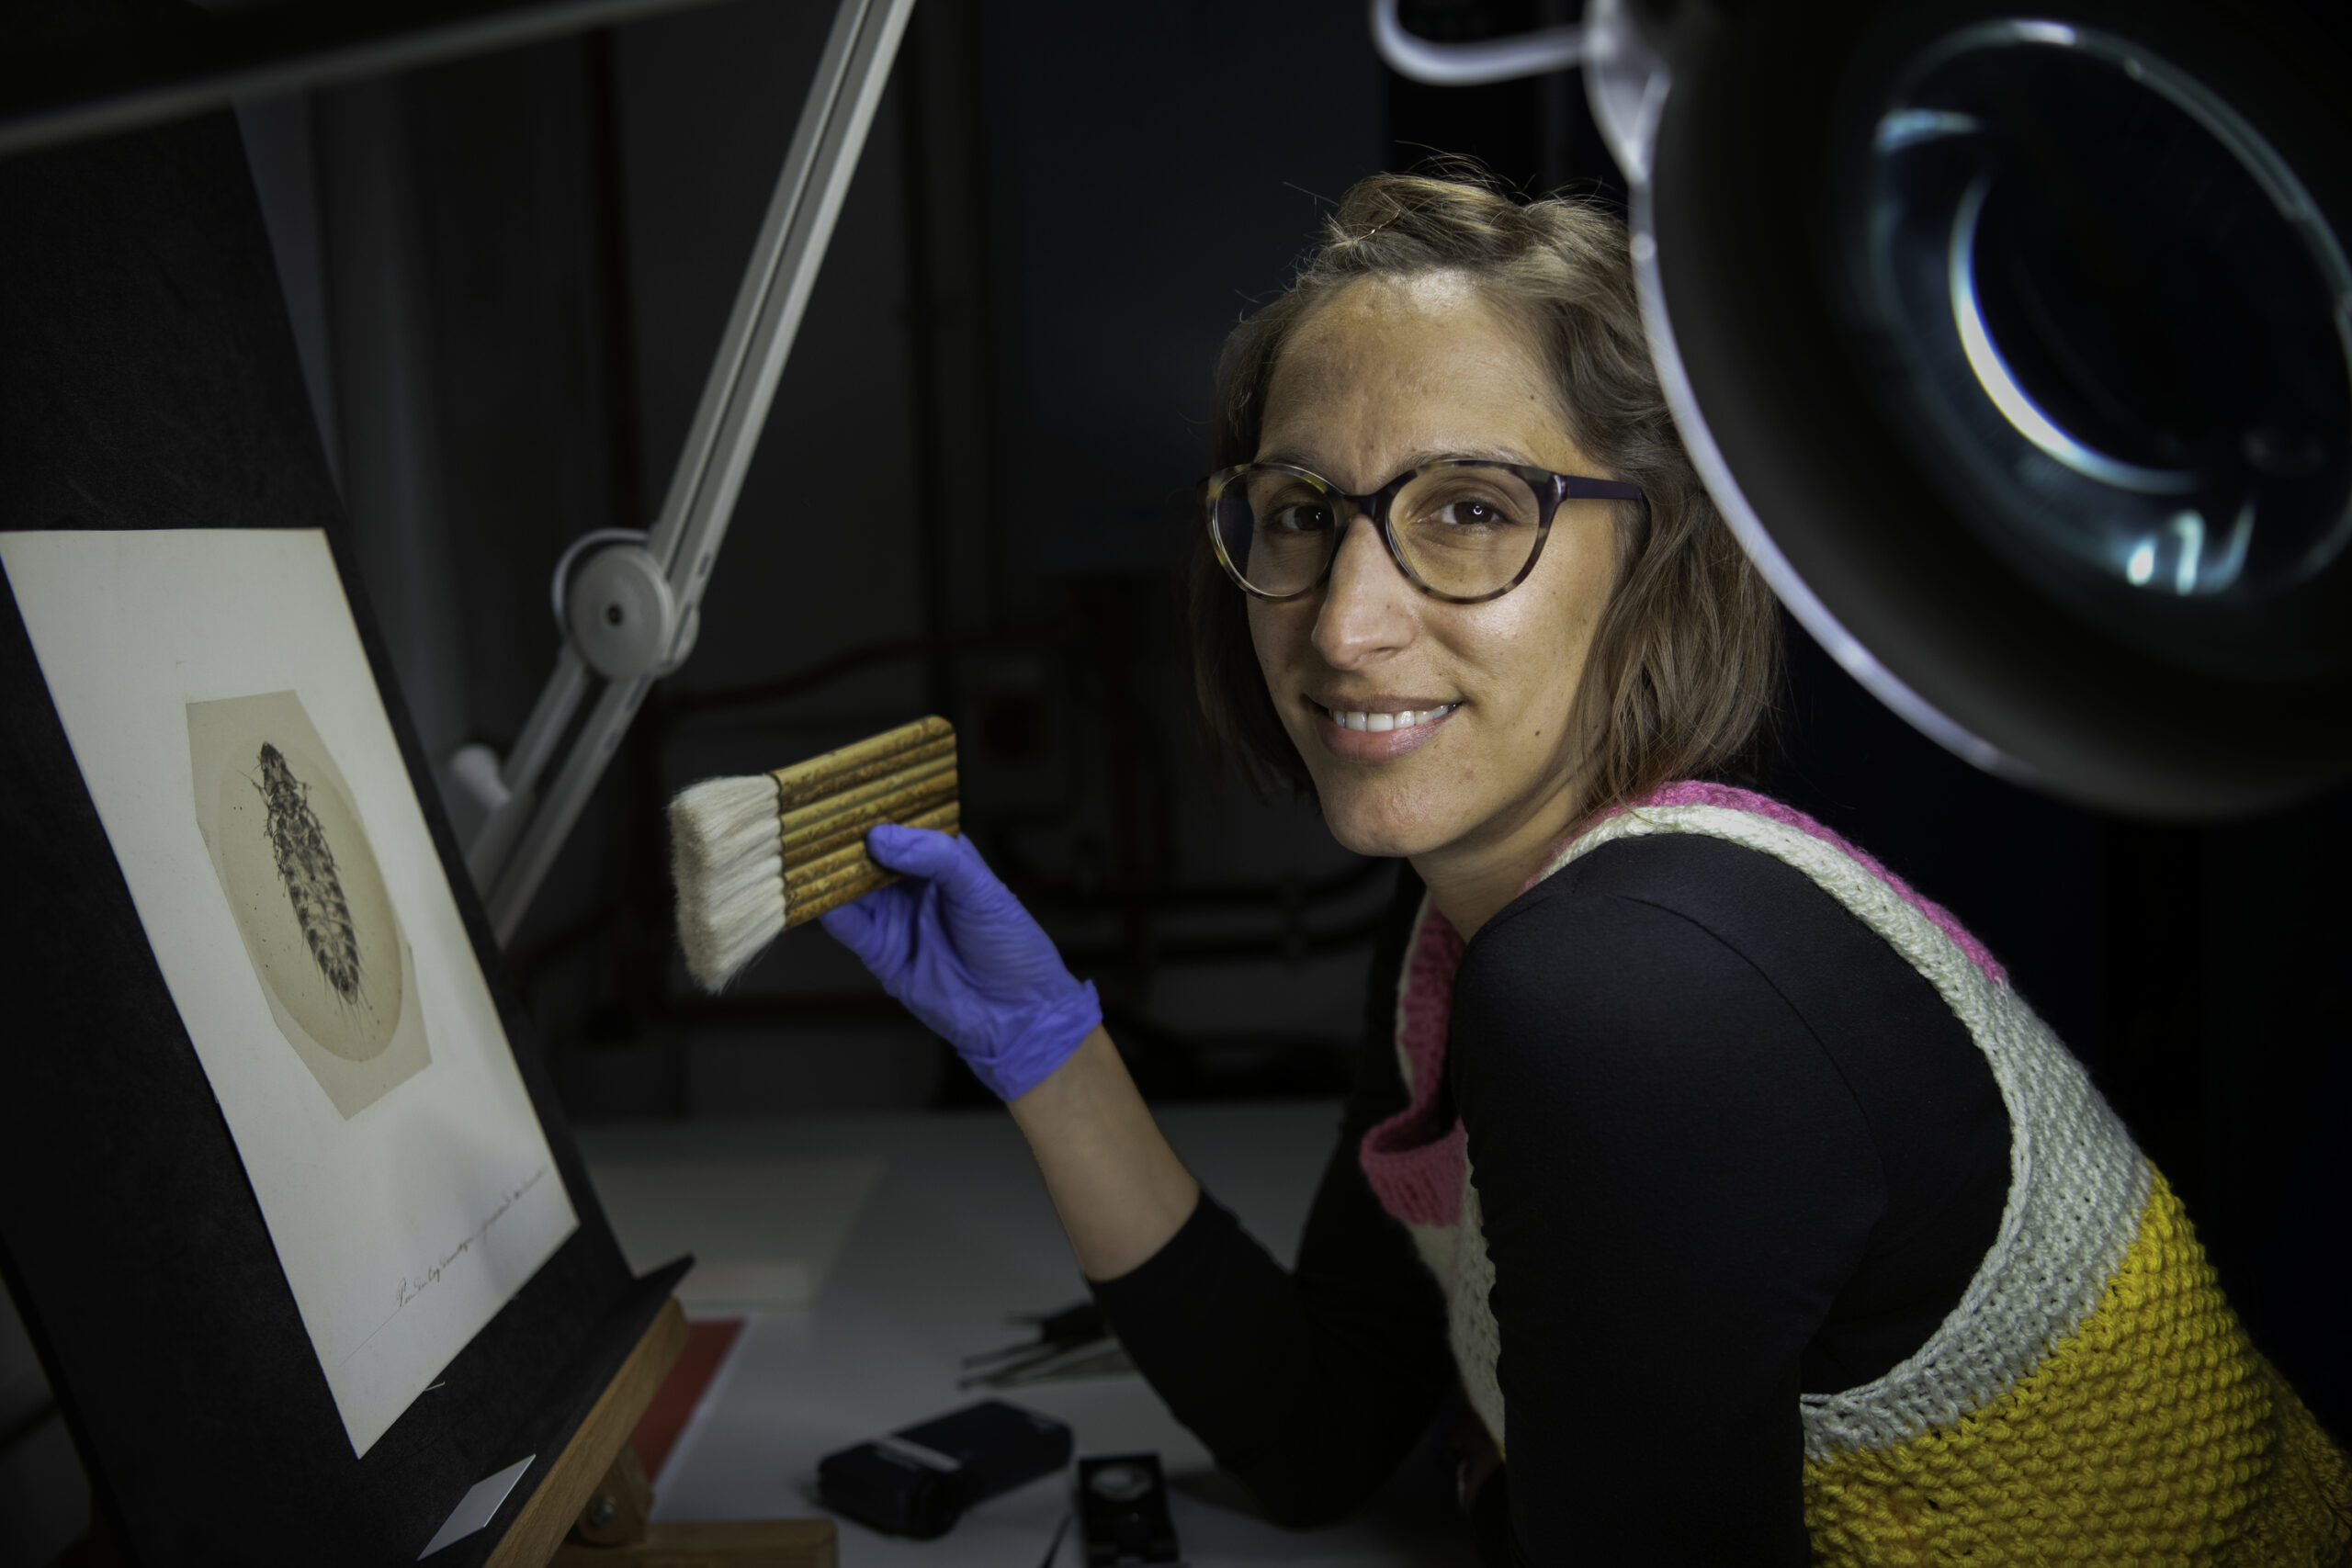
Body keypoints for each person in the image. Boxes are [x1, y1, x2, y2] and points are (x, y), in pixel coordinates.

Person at [819, 172, 2352, 1564]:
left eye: (1472, 511)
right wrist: (1045, 1054)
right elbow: (1319, 1434)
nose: (1345, 625)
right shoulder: (1470, 933)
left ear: (1659, 557)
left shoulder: (1633, 991)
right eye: (1303, 515)